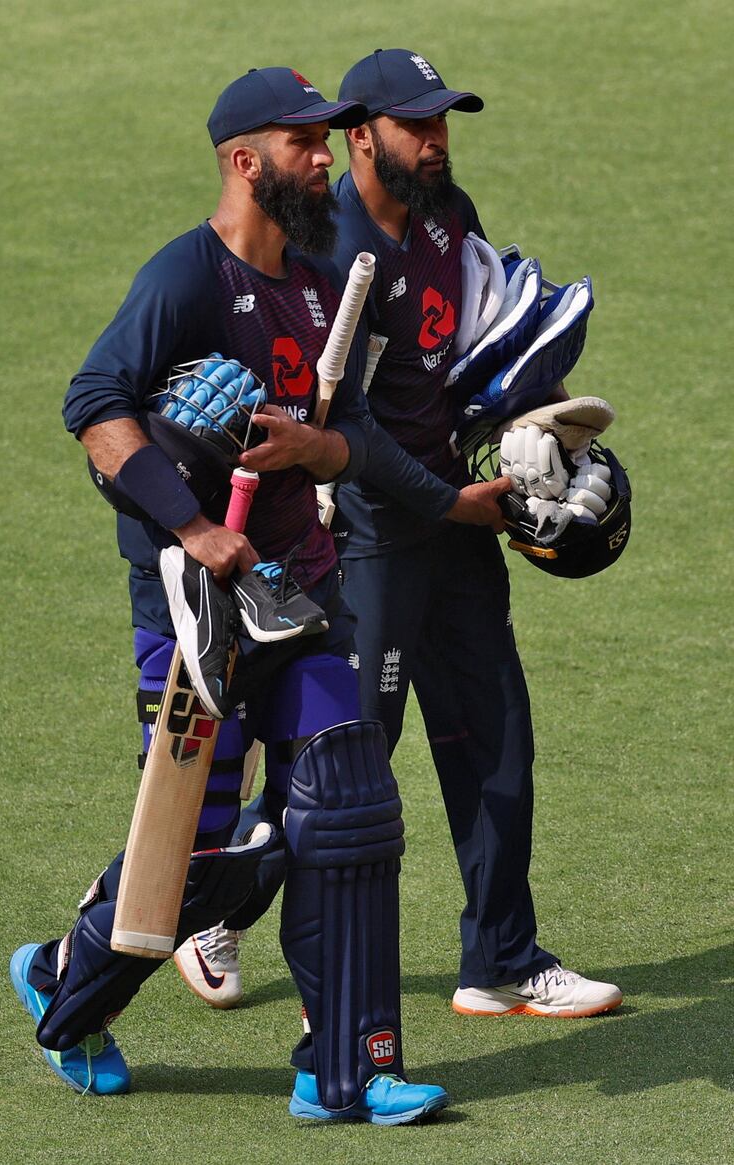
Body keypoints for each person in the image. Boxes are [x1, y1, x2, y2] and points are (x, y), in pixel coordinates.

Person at [7, 65, 488, 1123]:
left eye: (327, 143)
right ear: (242, 160)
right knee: (203, 851)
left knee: (347, 807)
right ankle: (62, 980)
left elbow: (350, 430)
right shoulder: (183, 277)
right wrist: (193, 525)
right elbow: (94, 407)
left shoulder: (321, 277)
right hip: (195, 613)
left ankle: (343, 1068)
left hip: (297, 598)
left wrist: (319, 445)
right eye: (303, 144)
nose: (325, 158)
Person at [181, 50, 622, 1022]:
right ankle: (212, 905)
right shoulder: (326, 257)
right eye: (414, 124)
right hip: (368, 547)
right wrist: (445, 502)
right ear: (357, 138)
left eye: (442, 122)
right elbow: (345, 429)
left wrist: (539, 443)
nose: (434, 140)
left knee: (498, 743)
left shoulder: (446, 216)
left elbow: (485, 345)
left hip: (454, 531)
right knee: (341, 769)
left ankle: (499, 957)